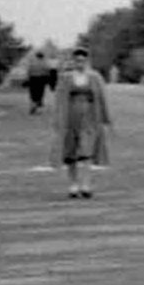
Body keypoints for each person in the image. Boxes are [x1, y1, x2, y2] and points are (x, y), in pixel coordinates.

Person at [51, 48, 111, 198]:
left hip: (89, 116)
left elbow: (101, 98)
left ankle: (86, 184)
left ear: (87, 61)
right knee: (71, 152)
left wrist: (105, 118)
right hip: (70, 116)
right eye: (77, 60)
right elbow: (59, 100)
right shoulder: (65, 78)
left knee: (87, 151)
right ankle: (73, 184)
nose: (80, 63)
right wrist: (58, 120)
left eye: (83, 60)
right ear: (73, 61)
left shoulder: (94, 77)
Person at [26, 50, 54, 115]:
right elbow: (48, 71)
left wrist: (28, 79)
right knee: (40, 92)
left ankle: (33, 104)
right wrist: (48, 80)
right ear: (42, 56)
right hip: (41, 79)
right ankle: (37, 106)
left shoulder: (32, 62)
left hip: (32, 79)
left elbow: (29, 71)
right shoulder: (45, 63)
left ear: (36, 56)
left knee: (33, 93)